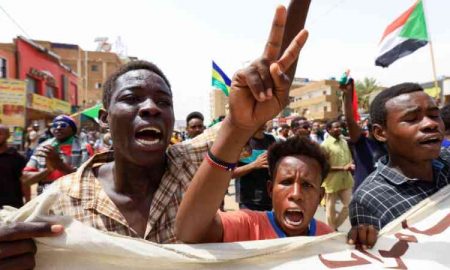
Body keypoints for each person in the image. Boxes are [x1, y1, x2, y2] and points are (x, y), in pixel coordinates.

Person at [0, 1, 310, 268]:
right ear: (105, 119)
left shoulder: (191, 163)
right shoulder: (61, 201)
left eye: (163, 102)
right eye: (132, 99)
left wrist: (272, 74)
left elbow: (255, 106)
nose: (151, 108)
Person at [348, 83, 450, 249]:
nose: (431, 124)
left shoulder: (448, 160)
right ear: (381, 133)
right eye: (411, 119)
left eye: (434, 115)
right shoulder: (369, 200)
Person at [176, 137, 333, 243]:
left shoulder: (328, 239)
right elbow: (188, 231)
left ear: (320, 197)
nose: (296, 195)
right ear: (270, 190)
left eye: (307, 185)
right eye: (286, 182)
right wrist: (235, 127)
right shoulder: (247, 225)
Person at [21, 115, 93, 194]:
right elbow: (26, 179)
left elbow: (88, 179)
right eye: (55, 125)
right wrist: (48, 170)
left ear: (72, 129)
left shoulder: (85, 148)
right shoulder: (43, 147)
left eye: (63, 125)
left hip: (73, 197)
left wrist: (60, 165)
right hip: (46, 198)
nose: (58, 127)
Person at [339, 79, 386, 192]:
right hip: (364, 193)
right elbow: (350, 119)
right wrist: (347, 94)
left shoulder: (390, 145)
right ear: (373, 130)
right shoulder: (362, 143)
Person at [233, 123, 276, 211]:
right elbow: (231, 173)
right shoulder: (242, 141)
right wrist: (254, 165)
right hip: (248, 200)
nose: (264, 121)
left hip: (268, 198)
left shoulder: (271, 139)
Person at [321, 119, 354, 231]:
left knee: (349, 206)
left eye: (340, 127)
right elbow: (323, 166)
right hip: (332, 181)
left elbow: (349, 158)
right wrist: (342, 168)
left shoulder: (344, 142)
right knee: (330, 209)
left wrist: (351, 164)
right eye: (336, 127)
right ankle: (331, 230)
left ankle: (333, 228)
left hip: (346, 180)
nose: (339, 129)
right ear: (329, 130)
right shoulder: (325, 145)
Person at [0, 125, 27, 209]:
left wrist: (28, 202)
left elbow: (25, 181)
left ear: (8, 136)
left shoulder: (17, 158)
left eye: (0, 134)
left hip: (12, 205)